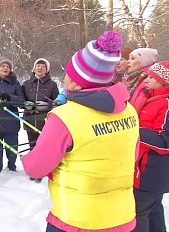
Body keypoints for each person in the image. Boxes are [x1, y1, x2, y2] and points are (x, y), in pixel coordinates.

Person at [22, 31, 139, 231]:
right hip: (122, 217)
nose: (65, 77)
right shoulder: (129, 110)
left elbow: (36, 168)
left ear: (76, 81)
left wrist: (29, 159)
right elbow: (132, 155)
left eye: (68, 73)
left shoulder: (65, 117)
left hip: (77, 220)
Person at [131, 61, 169, 232]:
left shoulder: (166, 104)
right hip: (145, 170)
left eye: (151, 77)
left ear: (163, 82)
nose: (145, 80)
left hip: (151, 173)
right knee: (153, 211)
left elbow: (165, 141)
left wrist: (132, 130)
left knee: (138, 214)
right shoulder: (151, 97)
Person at [22, 58, 59, 149]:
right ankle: (33, 163)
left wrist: (47, 105)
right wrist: (25, 104)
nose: (40, 68)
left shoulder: (52, 85)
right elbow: (21, 100)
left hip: (46, 123)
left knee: (45, 148)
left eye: (43, 67)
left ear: (47, 70)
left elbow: (58, 103)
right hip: (29, 121)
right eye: (38, 66)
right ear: (34, 68)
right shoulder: (26, 84)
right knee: (33, 147)